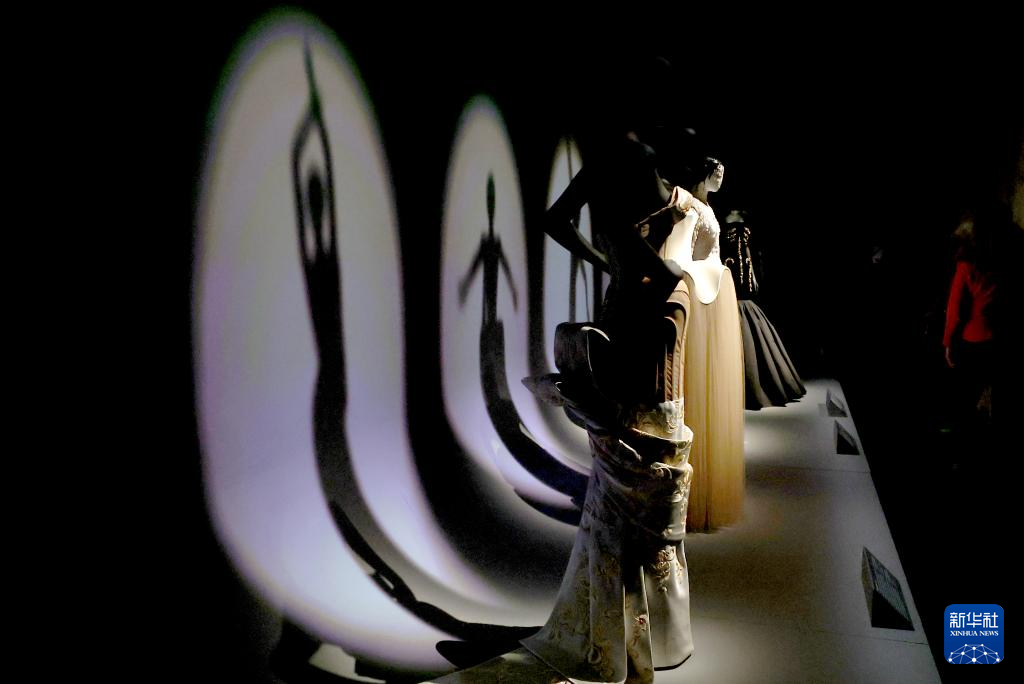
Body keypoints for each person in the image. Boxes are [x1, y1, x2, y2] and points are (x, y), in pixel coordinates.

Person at [720, 209, 806, 409]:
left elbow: (748, 251)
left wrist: (752, 270)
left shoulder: (744, 221)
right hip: (727, 275)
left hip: (741, 282)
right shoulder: (723, 221)